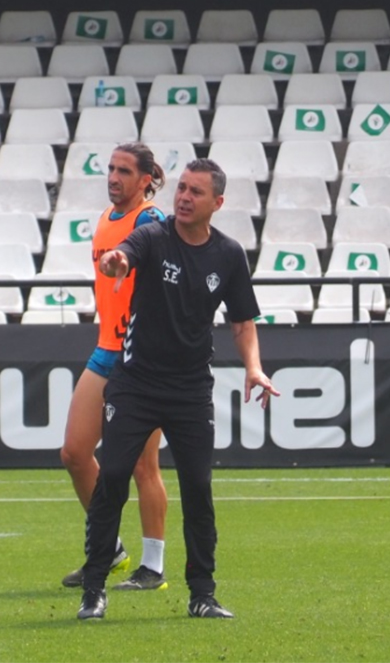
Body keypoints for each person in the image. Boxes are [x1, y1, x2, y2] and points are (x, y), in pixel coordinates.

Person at [77, 158, 279, 620]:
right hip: (136, 382)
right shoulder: (153, 235)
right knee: (110, 479)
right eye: (182, 188)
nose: (184, 197)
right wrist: (116, 262)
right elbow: (125, 254)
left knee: (198, 489)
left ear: (217, 203)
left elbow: (242, 322)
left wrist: (254, 368)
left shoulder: (228, 255)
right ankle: (94, 590)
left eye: (196, 192)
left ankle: (202, 594)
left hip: (190, 389)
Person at [60, 144, 171, 591]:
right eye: (110, 168)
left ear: (146, 179)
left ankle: (154, 568)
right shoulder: (106, 219)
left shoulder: (151, 221)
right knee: (73, 453)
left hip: (141, 357)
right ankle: (110, 551)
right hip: (107, 348)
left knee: (144, 467)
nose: (113, 176)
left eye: (124, 170)